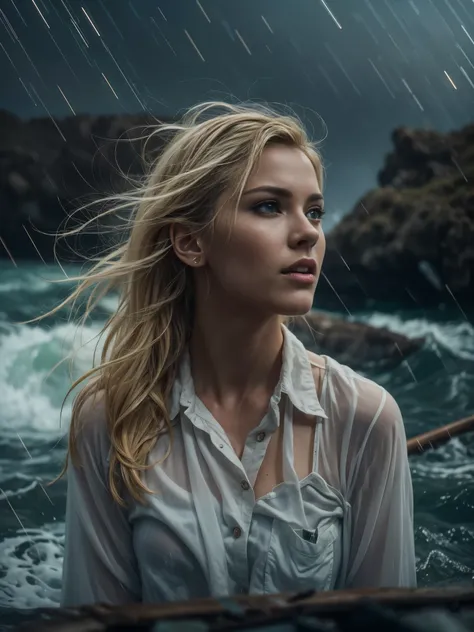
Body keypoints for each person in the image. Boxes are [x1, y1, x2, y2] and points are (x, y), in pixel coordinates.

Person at [49, 101, 416, 606]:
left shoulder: (366, 418)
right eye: (269, 206)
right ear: (190, 241)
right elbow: (91, 617)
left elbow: (388, 624)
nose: (308, 231)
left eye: (314, 211)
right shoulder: (111, 420)